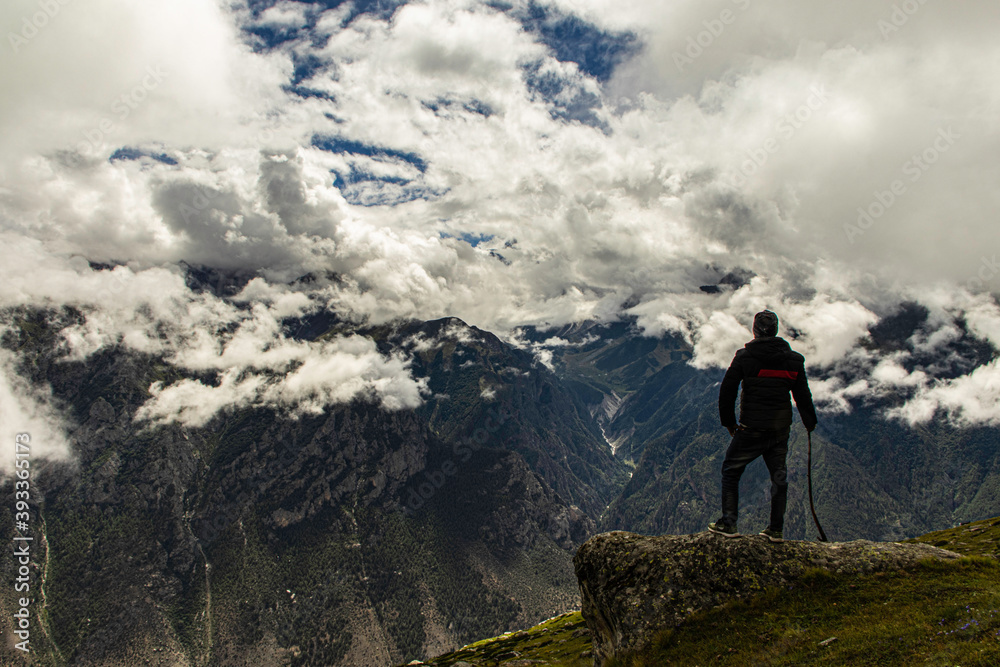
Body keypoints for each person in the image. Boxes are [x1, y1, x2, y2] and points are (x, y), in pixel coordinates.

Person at [708, 310, 817, 542]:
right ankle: (776, 529)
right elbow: (802, 396)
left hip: (751, 428)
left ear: (754, 330)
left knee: (731, 470)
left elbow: (727, 390)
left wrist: (729, 422)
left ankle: (729, 523)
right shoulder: (794, 361)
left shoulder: (745, 357)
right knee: (779, 477)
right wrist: (810, 422)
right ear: (776, 330)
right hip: (779, 430)